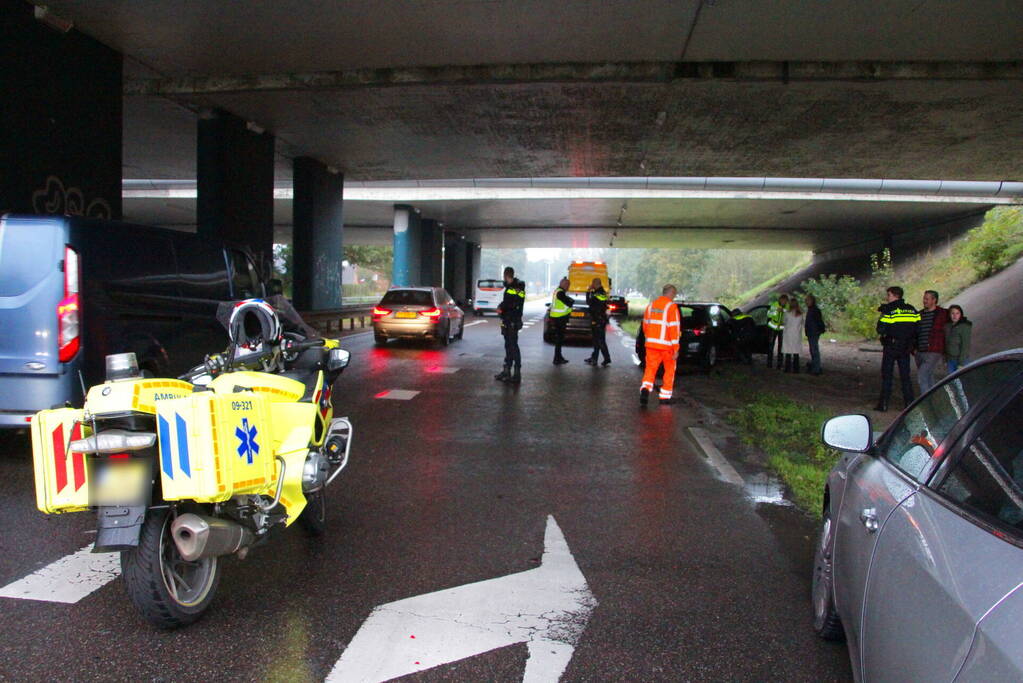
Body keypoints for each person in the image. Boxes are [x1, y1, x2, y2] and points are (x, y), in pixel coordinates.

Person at [875, 286, 920, 412]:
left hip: (891, 346)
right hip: (905, 347)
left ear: (895, 296)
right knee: (905, 376)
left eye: (888, 295)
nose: (887, 298)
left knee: (887, 376)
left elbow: (880, 329)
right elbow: (918, 329)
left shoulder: (889, 310)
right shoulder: (912, 310)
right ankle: (909, 404)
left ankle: (883, 404)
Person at [640, 284, 681, 405]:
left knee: (650, 369)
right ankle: (664, 397)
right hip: (667, 346)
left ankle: (645, 389)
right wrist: (676, 348)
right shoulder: (672, 307)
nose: (674, 297)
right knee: (669, 370)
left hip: (652, 344)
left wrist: (650, 338)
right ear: (671, 293)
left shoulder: (651, 305)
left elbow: (645, 325)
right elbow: (674, 328)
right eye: (674, 294)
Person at [494, 266, 526, 383]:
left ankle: (515, 373)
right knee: (509, 346)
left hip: (512, 320)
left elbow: (512, 303)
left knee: (512, 346)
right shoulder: (514, 287)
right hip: (509, 320)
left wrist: (501, 308)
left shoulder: (515, 288)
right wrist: (501, 307)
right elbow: (509, 301)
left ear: (506, 276)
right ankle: (507, 371)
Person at [915, 290, 948, 394]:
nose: (924, 301)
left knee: (922, 375)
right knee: (928, 376)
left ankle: (926, 402)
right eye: (924, 298)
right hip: (920, 351)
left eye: (927, 299)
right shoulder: (919, 315)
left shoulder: (943, 314)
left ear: (934, 300)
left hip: (934, 350)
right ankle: (934, 399)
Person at [585, 277, 612, 366]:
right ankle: (594, 358)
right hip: (599, 319)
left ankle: (606, 358)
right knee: (597, 340)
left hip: (598, 320)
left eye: (593, 283)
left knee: (599, 340)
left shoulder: (598, 294)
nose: (591, 285)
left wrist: (588, 291)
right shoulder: (600, 292)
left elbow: (589, 302)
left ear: (595, 284)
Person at [549, 277, 575, 365]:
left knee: (559, 340)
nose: (569, 287)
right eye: (568, 285)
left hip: (558, 318)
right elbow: (569, 302)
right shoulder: (560, 292)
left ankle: (559, 357)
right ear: (564, 284)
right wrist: (571, 301)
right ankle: (557, 359)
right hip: (559, 319)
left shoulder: (559, 291)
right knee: (559, 340)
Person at [944, 304, 972, 373]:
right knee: (953, 381)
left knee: (964, 379)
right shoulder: (947, 326)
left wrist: (961, 363)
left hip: (961, 360)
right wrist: (945, 359)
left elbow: (965, 346)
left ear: (961, 314)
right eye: (952, 313)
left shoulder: (964, 327)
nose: (955, 316)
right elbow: (945, 343)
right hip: (950, 360)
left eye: (957, 313)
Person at [781, 297, 805, 373]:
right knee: (796, 352)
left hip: (788, 334)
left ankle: (787, 368)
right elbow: (802, 323)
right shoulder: (800, 314)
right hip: (797, 334)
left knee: (788, 351)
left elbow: (783, 322)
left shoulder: (787, 314)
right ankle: (796, 369)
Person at [804, 293, 826, 375]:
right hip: (811, 332)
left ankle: (816, 369)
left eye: (808, 300)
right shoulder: (811, 310)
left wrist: (819, 330)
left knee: (814, 350)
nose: (806, 302)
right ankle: (816, 366)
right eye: (806, 300)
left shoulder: (814, 310)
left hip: (814, 332)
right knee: (813, 350)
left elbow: (818, 321)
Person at [766, 293, 788, 369]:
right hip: (773, 327)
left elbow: (789, 313)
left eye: (785, 301)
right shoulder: (774, 305)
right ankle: (769, 364)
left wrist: (783, 310)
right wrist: (776, 310)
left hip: (782, 328)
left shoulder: (787, 306)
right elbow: (769, 314)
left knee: (781, 347)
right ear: (780, 300)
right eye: (782, 301)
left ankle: (779, 364)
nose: (784, 302)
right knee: (771, 346)